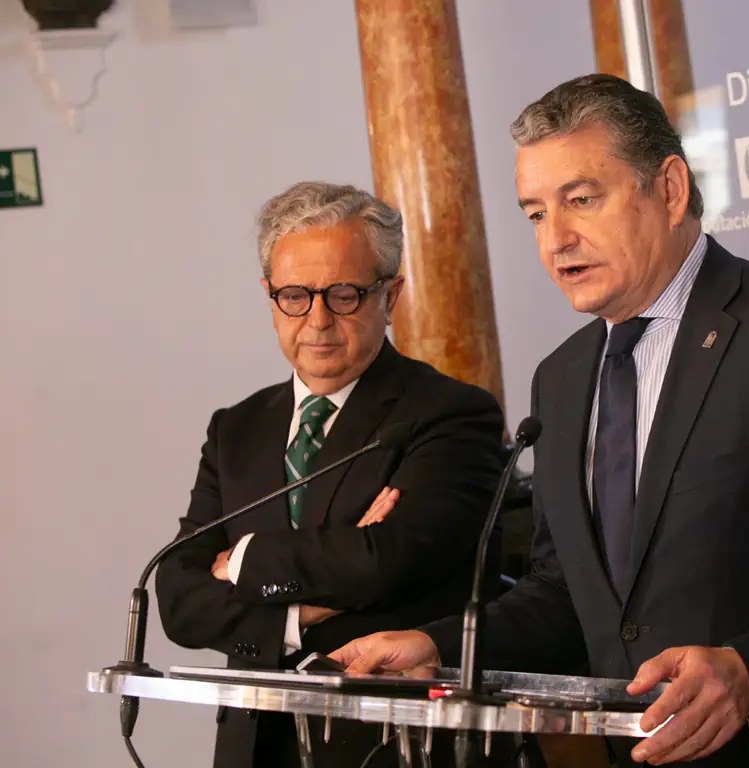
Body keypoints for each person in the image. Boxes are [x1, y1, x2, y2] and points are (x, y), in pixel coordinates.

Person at [331, 74, 749, 767]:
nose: (557, 240)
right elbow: (568, 596)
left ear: (669, 189)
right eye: (536, 215)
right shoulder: (562, 378)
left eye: (582, 200)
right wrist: (439, 647)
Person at [155, 181, 506, 768]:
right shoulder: (236, 428)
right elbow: (177, 596)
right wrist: (297, 616)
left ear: (391, 296)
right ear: (269, 297)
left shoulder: (450, 413)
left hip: (393, 744)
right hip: (255, 746)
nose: (317, 320)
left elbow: (387, 560)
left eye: (344, 295)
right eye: (294, 295)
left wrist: (240, 561)